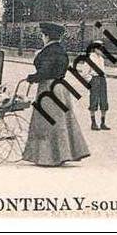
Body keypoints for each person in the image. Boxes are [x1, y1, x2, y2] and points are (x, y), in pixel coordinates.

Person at [21, 22, 90, 166]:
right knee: (62, 121)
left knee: (46, 122)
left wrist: (32, 77)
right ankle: (64, 153)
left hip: (48, 88)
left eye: (43, 35)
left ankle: (47, 157)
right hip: (61, 88)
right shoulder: (61, 50)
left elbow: (45, 72)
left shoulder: (49, 51)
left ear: (47, 36)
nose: (42, 38)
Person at [83, 40, 111, 131]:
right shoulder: (90, 58)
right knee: (94, 99)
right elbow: (84, 73)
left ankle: (103, 122)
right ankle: (93, 122)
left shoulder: (101, 59)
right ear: (94, 49)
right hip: (94, 79)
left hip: (102, 79)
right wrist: (91, 81)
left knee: (104, 100)